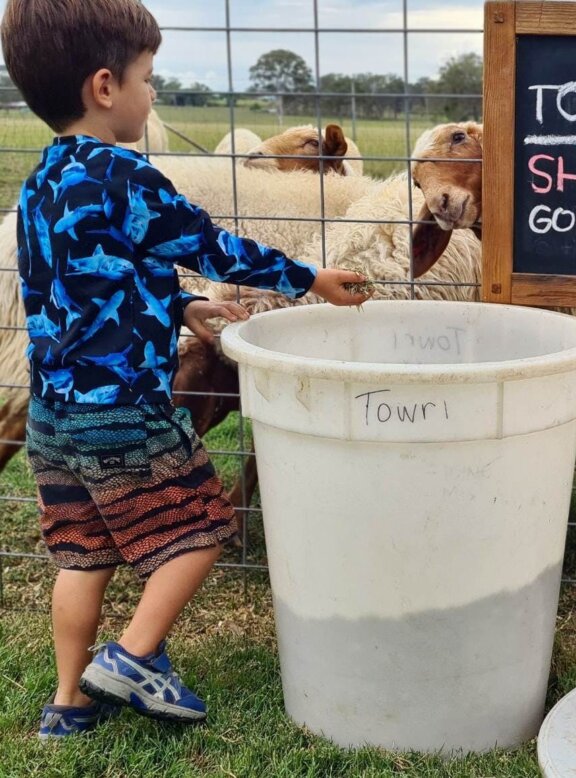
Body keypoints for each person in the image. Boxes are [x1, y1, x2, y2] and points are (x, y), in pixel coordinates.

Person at [1, 0, 370, 739]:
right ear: (105, 87)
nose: (155, 93)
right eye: (150, 77)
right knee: (203, 526)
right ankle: (133, 657)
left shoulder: (40, 184)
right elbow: (215, 246)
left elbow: (83, 281)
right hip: (125, 410)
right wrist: (310, 279)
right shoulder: (128, 177)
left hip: (54, 416)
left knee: (82, 554)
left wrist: (180, 308)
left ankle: (67, 703)